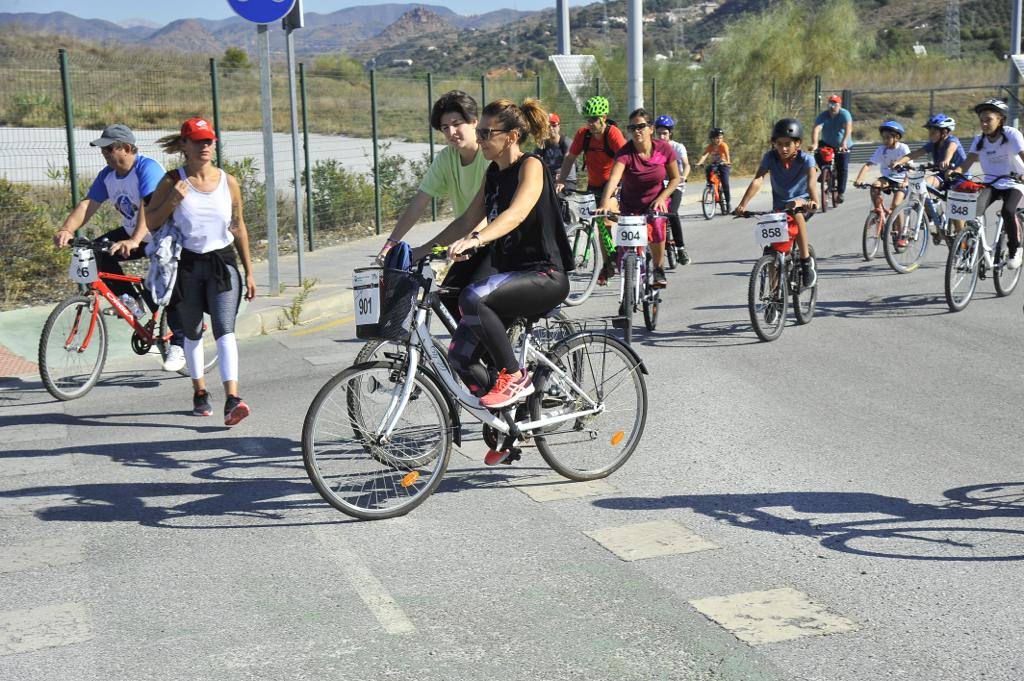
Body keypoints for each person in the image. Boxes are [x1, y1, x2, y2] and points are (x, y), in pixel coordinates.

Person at [416, 98, 570, 465]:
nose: (480, 139)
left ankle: (517, 377)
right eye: (480, 132)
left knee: (475, 296)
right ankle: (508, 426)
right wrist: (420, 249)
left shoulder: (530, 165)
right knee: (459, 356)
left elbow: (516, 214)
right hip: (513, 274)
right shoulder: (493, 173)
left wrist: (479, 239)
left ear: (512, 136)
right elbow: (467, 220)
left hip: (544, 273)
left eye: (487, 133)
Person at [112, 118, 257, 425]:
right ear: (184, 145)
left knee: (224, 329)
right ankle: (200, 391)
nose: (205, 146)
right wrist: (174, 200)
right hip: (187, 265)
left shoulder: (228, 181)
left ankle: (233, 399)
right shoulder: (171, 180)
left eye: (209, 141)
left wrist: (250, 271)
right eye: (198, 141)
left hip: (222, 263)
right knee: (191, 332)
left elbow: (238, 226)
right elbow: (150, 222)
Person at [52, 123, 188, 372]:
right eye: (103, 150)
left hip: (162, 234)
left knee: (160, 286)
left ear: (126, 148)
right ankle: (131, 302)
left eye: (109, 149)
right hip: (132, 233)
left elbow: (149, 207)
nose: (104, 154)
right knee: (96, 252)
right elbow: (88, 205)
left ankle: (180, 343)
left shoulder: (146, 168)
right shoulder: (108, 175)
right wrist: (66, 230)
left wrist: (135, 240)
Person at [377, 91, 491, 321]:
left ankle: (503, 355)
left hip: (494, 241)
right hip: (465, 243)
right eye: (445, 127)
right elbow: (419, 203)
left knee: (475, 301)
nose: (451, 132)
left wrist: (427, 249)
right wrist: (391, 243)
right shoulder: (446, 159)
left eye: (457, 124)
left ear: (474, 122)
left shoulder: (488, 155)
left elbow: (482, 214)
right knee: (450, 302)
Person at [599, 108, 681, 288]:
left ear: (651, 129)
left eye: (641, 126)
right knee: (623, 255)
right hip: (630, 205)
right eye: (632, 128)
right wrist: (604, 203)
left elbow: (676, 179)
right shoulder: (625, 153)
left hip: (655, 202)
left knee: (658, 226)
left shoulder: (664, 149)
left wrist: (662, 198)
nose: (636, 131)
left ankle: (659, 269)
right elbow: (613, 179)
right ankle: (627, 296)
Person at [733, 118, 820, 288]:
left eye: (788, 144)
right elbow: (758, 180)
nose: (783, 148)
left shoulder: (807, 160)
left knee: (797, 211)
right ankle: (774, 298)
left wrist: (814, 201)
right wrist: (743, 205)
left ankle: (805, 261)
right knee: (774, 251)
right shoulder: (770, 157)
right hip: (780, 208)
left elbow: (811, 183)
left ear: (798, 144)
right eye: (779, 144)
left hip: (804, 203)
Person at [555, 95, 626, 284]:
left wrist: (620, 185)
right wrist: (561, 179)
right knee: (599, 223)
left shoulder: (613, 134)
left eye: (594, 119)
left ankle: (624, 251)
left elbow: (627, 159)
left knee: (608, 219)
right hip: (594, 185)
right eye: (588, 119)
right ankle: (609, 263)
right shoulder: (583, 134)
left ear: (604, 117)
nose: (591, 123)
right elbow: (570, 157)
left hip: (614, 183)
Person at [951, 99, 1024, 270]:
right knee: (972, 213)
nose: (984, 123)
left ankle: (1015, 249)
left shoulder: (1011, 135)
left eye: (988, 119)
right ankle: (969, 251)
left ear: (1000, 119)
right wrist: (955, 172)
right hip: (990, 184)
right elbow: (967, 162)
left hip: (1014, 182)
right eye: (981, 120)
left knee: (1008, 211)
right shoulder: (979, 140)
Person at [893, 113, 968, 241]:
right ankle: (935, 217)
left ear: (944, 132)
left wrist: (946, 160)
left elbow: (951, 149)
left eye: (933, 132)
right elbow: (917, 153)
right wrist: (899, 161)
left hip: (959, 177)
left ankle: (962, 241)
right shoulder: (932, 144)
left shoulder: (952, 140)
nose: (930, 135)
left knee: (954, 211)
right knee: (923, 186)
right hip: (942, 176)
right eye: (930, 132)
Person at [852, 121, 911, 242]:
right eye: (883, 138)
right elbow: (868, 165)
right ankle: (879, 211)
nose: (885, 140)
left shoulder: (903, 148)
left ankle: (901, 236)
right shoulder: (881, 149)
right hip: (888, 178)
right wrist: (859, 179)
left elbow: (909, 167)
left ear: (896, 137)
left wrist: (905, 182)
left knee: (896, 205)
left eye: (888, 138)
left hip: (901, 179)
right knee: (875, 186)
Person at [654, 114, 691, 265]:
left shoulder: (677, 147)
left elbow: (686, 164)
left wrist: (684, 176)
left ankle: (681, 248)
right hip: (660, 184)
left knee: (672, 213)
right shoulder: (653, 147)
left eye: (665, 133)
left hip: (676, 184)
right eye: (659, 133)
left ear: (670, 133)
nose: (662, 136)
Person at [810, 94, 854, 203]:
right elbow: (817, 129)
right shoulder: (823, 115)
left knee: (842, 167)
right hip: (827, 143)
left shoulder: (844, 114)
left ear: (839, 105)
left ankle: (840, 192)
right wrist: (814, 144)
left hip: (843, 145)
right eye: (830, 103)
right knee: (818, 153)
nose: (832, 106)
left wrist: (844, 143)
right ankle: (825, 172)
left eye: (835, 104)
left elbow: (848, 128)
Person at [695, 127, 732, 213]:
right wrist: (699, 163)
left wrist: (727, 162)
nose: (719, 140)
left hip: (724, 164)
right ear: (712, 139)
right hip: (716, 164)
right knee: (708, 169)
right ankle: (710, 185)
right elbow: (704, 155)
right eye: (717, 138)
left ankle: (728, 202)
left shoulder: (723, 145)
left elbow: (727, 155)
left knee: (725, 183)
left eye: (721, 138)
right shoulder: (710, 146)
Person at [536, 112, 575, 191]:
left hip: (567, 180)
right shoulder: (543, 143)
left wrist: (562, 178)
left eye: (554, 125)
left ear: (559, 127)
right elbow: (535, 158)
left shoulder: (566, 142)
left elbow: (569, 161)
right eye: (548, 126)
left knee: (558, 196)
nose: (551, 128)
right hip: (550, 179)